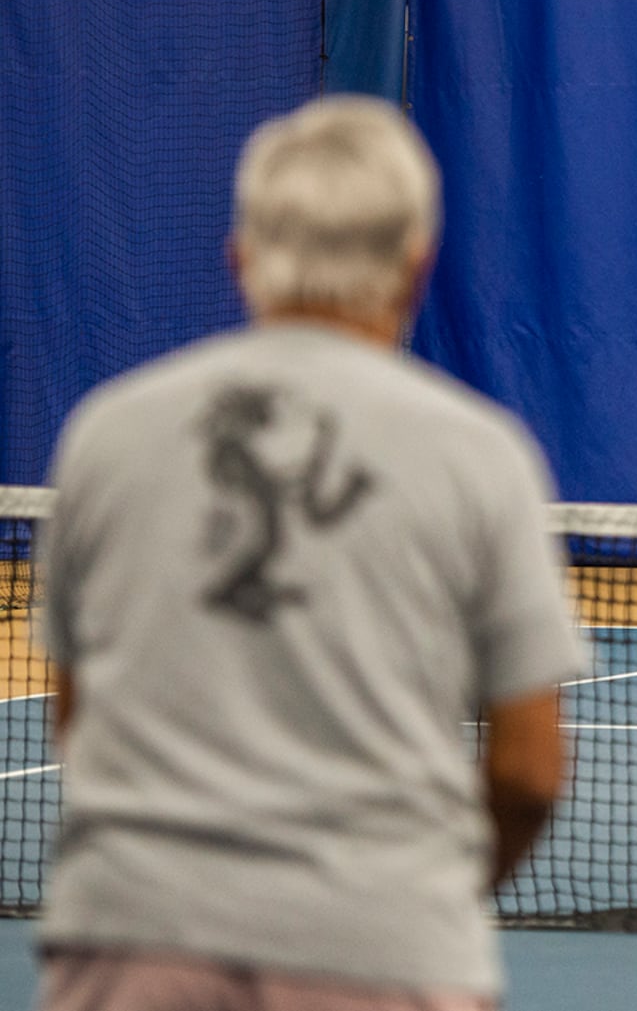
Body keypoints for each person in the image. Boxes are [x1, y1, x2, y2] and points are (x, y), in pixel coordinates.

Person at [35, 95, 586, 1010]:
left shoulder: (103, 436)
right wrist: (410, 896)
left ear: (241, 257)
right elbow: (529, 769)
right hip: (385, 947)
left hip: (126, 938)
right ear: (417, 266)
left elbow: (78, 719)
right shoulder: (484, 456)